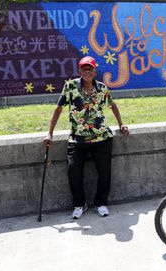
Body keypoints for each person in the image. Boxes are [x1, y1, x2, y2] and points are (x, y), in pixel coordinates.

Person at [43, 56, 129, 219]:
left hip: (101, 138)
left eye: (90, 69)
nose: (87, 71)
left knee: (104, 173)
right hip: (77, 140)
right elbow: (58, 108)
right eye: (84, 69)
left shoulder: (102, 88)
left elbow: (112, 105)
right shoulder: (70, 87)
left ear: (95, 70)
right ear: (80, 71)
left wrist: (121, 125)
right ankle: (79, 204)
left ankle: (101, 203)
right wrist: (50, 133)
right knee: (73, 172)